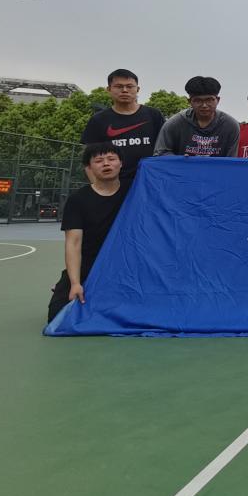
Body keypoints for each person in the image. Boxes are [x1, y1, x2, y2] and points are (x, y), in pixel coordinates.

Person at [47, 144, 130, 322]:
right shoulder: (77, 200)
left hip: (124, 266)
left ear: (121, 163)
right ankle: (63, 285)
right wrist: (75, 283)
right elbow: (73, 243)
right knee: (56, 316)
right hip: (89, 265)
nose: (106, 164)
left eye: (111, 159)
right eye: (98, 161)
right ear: (89, 168)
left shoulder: (134, 193)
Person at [81, 68, 166, 179]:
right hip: (113, 183)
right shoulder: (98, 120)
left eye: (129, 86)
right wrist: (96, 186)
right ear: (109, 89)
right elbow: (88, 160)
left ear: (137, 89)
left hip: (150, 181)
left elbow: (166, 150)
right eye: (119, 86)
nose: (125, 90)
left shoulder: (153, 115)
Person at [154, 76, 240, 157]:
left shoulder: (230, 125)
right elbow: (160, 153)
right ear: (189, 101)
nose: (204, 105)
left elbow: (231, 160)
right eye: (198, 100)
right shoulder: (174, 123)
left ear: (218, 100)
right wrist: (181, 160)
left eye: (209, 100)